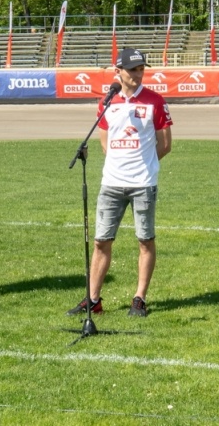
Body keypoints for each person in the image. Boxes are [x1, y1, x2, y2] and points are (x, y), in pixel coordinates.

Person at [67, 48, 173, 317]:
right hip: (111, 183)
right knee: (102, 241)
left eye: (141, 69)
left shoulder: (155, 101)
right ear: (118, 72)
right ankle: (93, 300)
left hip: (143, 183)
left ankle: (139, 298)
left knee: (145, 240)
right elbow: (105, 142)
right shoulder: (107, 101)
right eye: (132, 70)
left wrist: (144, 163)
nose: (138, 74)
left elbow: (165, 144)